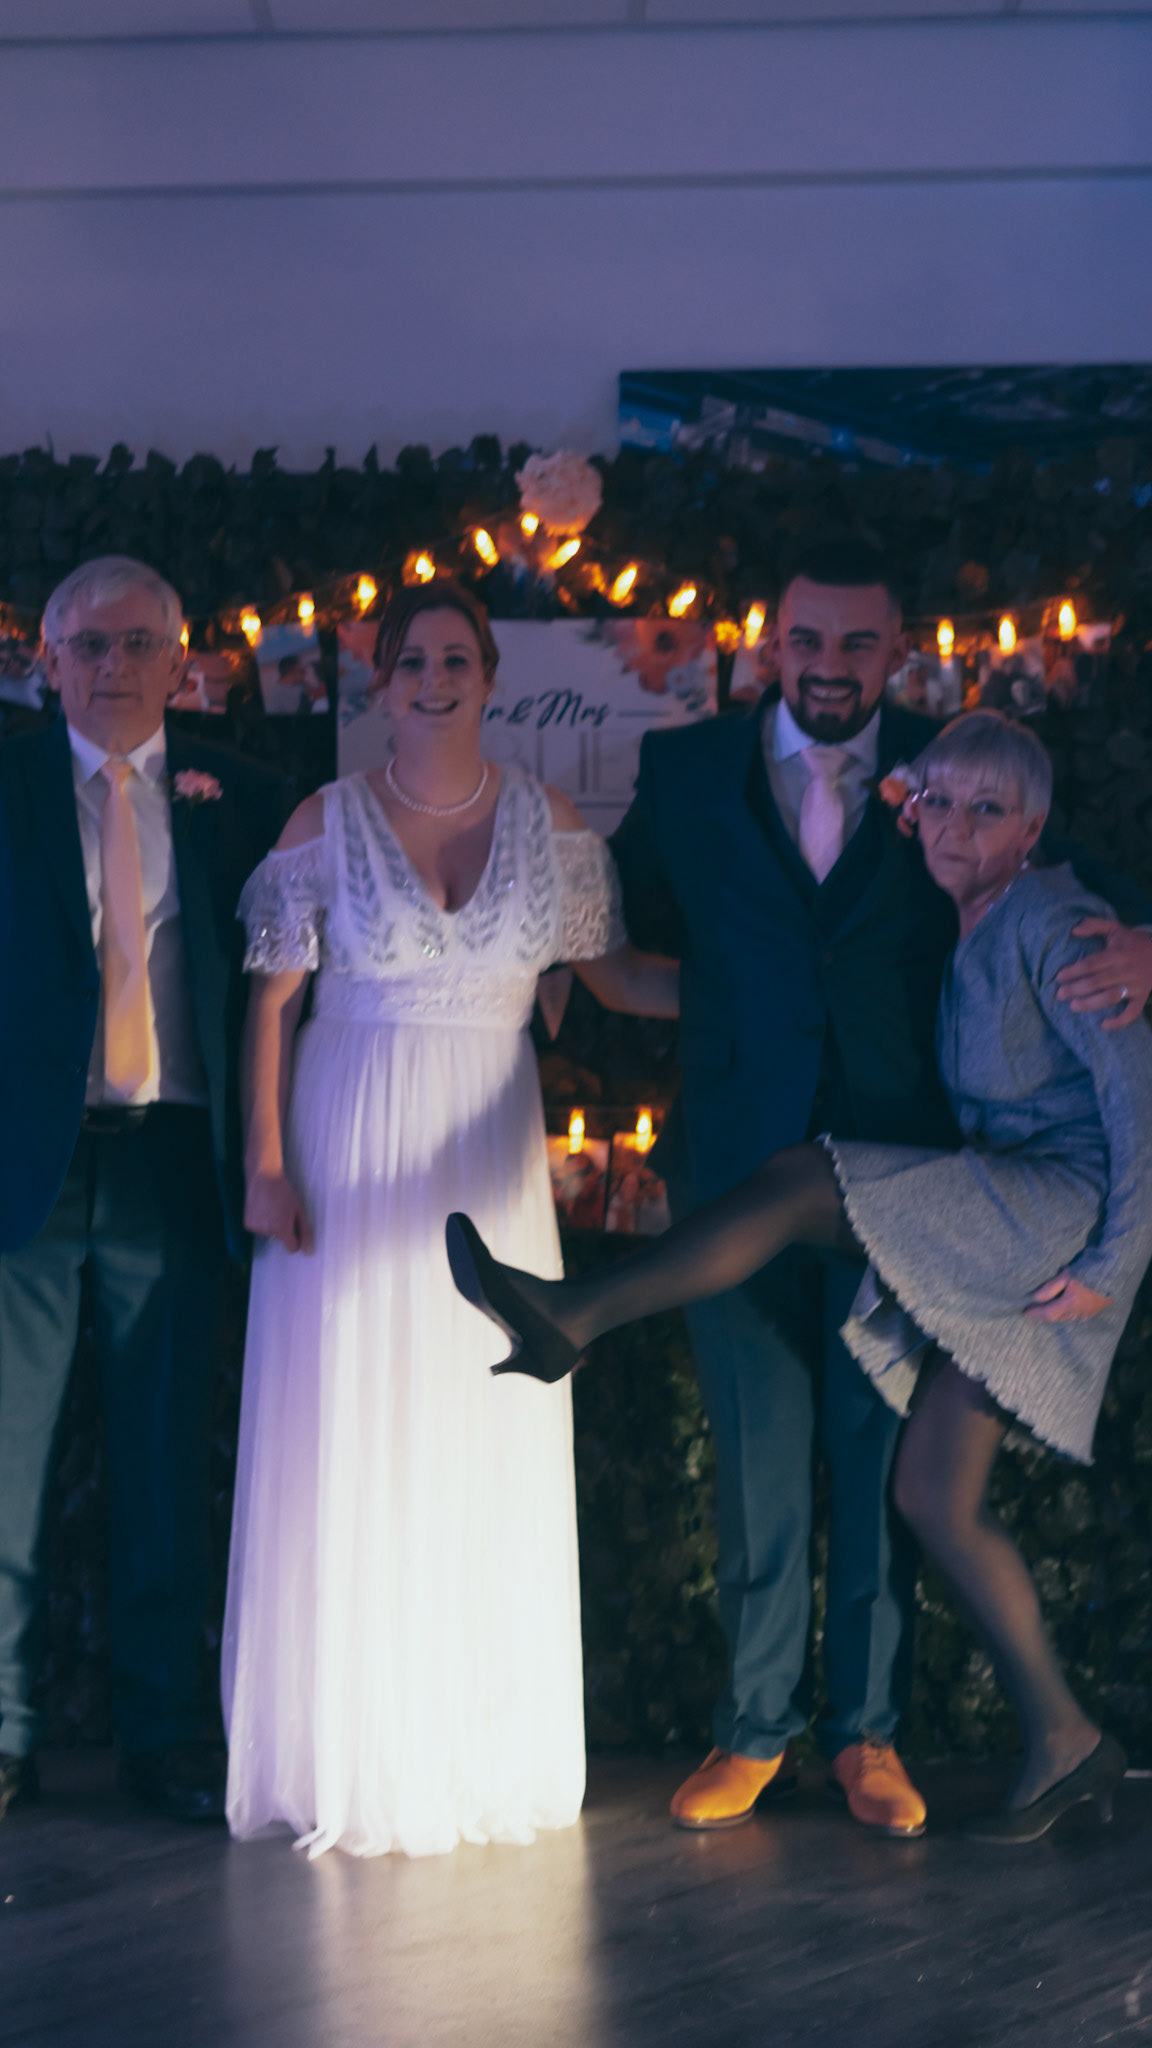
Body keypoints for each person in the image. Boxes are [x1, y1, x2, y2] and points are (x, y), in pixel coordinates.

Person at [447, 711, 1152, 1843]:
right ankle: (1068, 1741)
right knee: (933, 1494)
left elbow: (1138, 1105)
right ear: (912, 808)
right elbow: (657, 932)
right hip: (996, 1207)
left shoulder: (1056, 919)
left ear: (1032, 827)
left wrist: (1112, 1264)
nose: (959, 827)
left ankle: (572, 1314)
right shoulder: (965, 904)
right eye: (942, 805)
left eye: (990, 811)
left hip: (1039, 1213)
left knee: (798, 1180)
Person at [223, 579, 677, 1859]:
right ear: (380, 684)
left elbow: (615, 977)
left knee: (483, 1408)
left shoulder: (550, 816)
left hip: (489, 1144)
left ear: (489, 676)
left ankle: (479, 1739)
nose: (433, 679)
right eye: (410, 660)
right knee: (356, 1417)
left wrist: (769, 991)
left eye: (455, 658)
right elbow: (270, 1005)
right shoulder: (324, 819)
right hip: (352, 1139)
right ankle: (356, 1745)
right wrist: (266, 1164)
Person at [0, 556, 287, 1823]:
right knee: (4, 1458)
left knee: (167, 1458)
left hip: (176, 1158)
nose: (112, 665)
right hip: (25, 1162)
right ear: (46, 660)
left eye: (135, 643)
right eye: (87, 644)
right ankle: (2, 1733)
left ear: (180, 661)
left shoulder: (250, 797)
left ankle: (167, 1731)